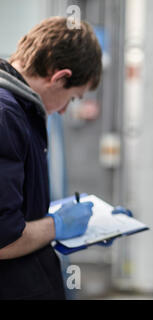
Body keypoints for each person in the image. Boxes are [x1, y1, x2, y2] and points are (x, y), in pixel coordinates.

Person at [0, 17, 102, 299]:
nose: (64, 110)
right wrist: (58, 225)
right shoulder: (6, 116)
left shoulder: (20, 109)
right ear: (59, 77)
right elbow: (3, 239)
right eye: (73, 98)